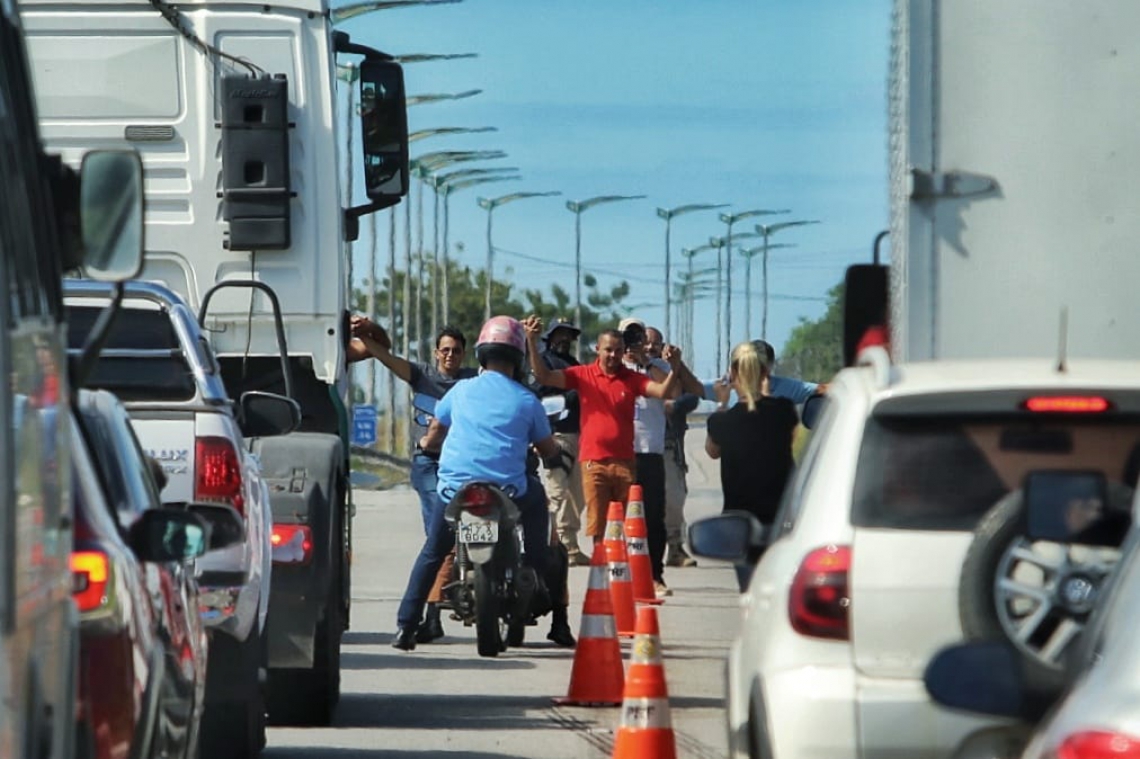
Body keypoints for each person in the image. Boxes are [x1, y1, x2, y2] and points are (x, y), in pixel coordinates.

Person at [391, 315, 571, 651]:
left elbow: (434, 435)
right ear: (517, 357)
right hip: (509, 490)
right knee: (538, 501)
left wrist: (426, 446)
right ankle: (532, 570)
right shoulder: (527, 400)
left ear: (480, 354)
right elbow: (547, 449)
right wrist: (555, 455)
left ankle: (405, 627)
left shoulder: (460, 391)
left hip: (455, 489)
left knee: (432, 552)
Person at [351, 316, 476, 643]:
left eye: (457, 351)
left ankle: (436, 613)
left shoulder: (473, 381)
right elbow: (387, 359)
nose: (451, 356)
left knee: (454, 537)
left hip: (463, 463)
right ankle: (428, 616)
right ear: (436, 353)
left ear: (465, 354)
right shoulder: (422, 375)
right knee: (442, 530)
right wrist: (369, 338)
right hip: (428, 463)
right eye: (445, 350)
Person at [523, 315, 681, 558]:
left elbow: (663, 391)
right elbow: (544, 377)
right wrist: (532, 342)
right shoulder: (582, 374)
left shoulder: (633, 379)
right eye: (608, 350)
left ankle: (624, 572)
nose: (613, 356)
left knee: (627, 525)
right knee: (598, 527)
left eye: (618, 351)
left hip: (625, 463)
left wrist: (675, 367)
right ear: (598, 349)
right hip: (593, 462)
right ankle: (601, 576)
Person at [706, 341, 798, 591]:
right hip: (779, 516)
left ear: (733, 375)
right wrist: (766, 396)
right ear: (766, 373)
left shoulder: (721, 421)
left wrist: (722, 403)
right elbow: (788, 439)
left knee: (750, 590)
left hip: (739, 519)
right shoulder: (783, 411)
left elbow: (712, 451)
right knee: (779, 589)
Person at [621, 320, 703, 597]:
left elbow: (677, 392)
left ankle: (654, 575)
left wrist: (646, 362)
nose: (637, 343)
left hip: (650, 451)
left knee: (653, 518)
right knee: (618, 518)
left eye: (640, 338)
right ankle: (619, 576)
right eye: (630, 337)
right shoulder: (613, 365)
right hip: (619, 453)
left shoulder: (659, 369)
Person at [534, 319, 589, 565]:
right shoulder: (543, 362)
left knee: (579, 493)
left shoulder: (575, 365)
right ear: (550, 337)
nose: (564, 339)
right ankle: (560, 546)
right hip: (554, 434)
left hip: (579, 434)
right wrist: (570, 396)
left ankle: (569, 542)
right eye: (560, 334)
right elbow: (537, 390)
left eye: (568, 335)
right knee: (558, 490)